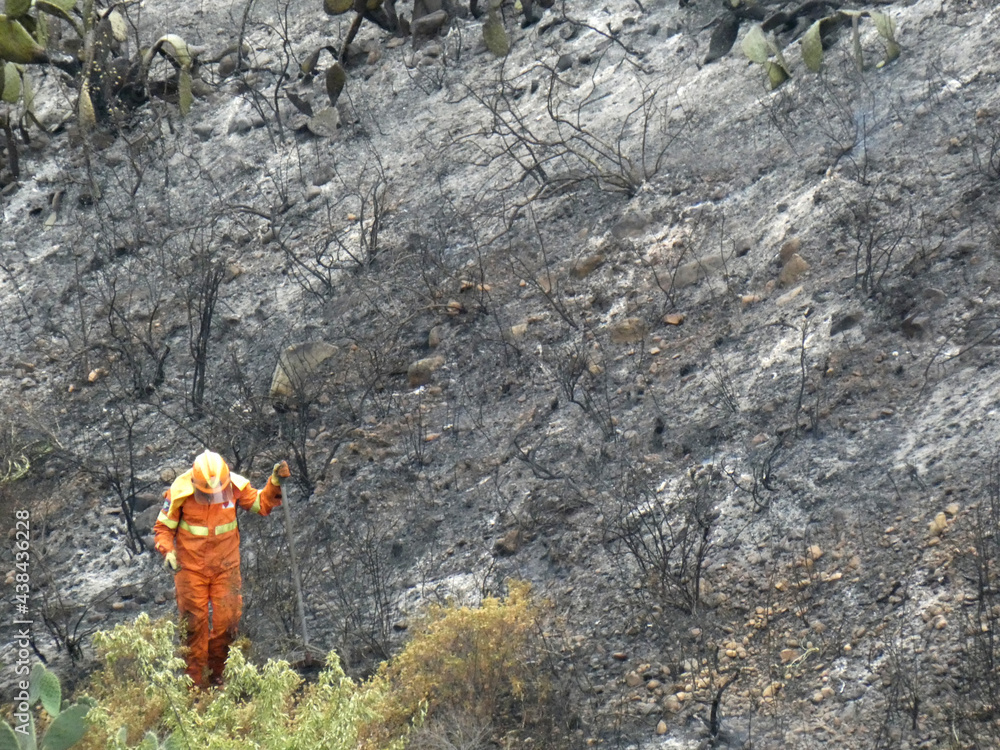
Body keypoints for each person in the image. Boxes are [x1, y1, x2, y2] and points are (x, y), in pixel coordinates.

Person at [154, 450, 290, 687]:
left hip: (226, 567)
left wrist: (274, 484)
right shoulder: (179, 491)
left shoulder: (234, 485)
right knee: (193, 627)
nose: (213, 497)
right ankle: (195, 688)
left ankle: (219, 680)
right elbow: (163, 528)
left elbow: (261, 504)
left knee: (227, 624)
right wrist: (168, 551)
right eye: (207, 494)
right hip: (190, 570)